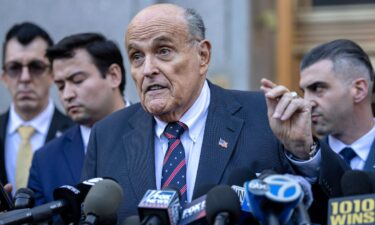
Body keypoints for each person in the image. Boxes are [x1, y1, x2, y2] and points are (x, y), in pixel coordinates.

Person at [82, 4, 348, 223]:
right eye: (137, 56)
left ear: (203, 55)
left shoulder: (265, 118)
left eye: (163, 51)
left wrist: (303, 153)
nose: (148, 68)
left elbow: (339, 207)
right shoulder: (106, 135)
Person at [27, 33, 128, 205]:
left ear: (113, 76)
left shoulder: (159, 134)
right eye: (60, 86)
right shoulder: (45, 161)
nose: (67, 95)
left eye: (77, 80)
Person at [0, 22, 73, 193]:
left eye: (36, 67)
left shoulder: (76, 134)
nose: (25, 78)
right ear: (4, 77)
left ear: (52, 74)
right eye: (14, 68)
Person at [300, 39, 375, 170]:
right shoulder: (304, 163)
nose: (307, 103)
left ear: (359, 90)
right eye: (303, 92)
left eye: (317, 88)